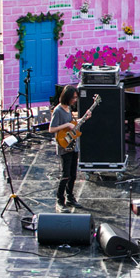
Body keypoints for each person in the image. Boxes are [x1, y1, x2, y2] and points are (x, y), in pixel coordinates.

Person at [47, 85, 92, 213]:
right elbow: (51, 129)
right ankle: (59, 200)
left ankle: (70, 197)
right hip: (64, 146)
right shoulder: (58, 110)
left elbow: (72, 125)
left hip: (73, 145)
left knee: (73, 174)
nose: (75, 100)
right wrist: (66, 124)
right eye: (73, 98)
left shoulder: (68, 109)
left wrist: (84, 118)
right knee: (65, 174)